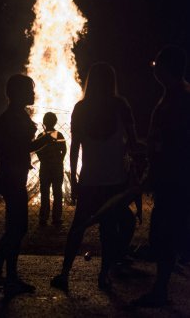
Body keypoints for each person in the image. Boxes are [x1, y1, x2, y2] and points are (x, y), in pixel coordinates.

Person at [51, 63, 139, 293]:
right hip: (115, 180)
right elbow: (133, 142)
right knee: (114, 227)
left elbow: (74, 147)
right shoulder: (121, 106)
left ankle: (64, 273)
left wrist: (73, 178)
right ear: (112, 82)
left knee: (78, 227)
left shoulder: (81, 108)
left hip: (90, 178)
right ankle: (104, 274)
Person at [0, 74, 52, 298]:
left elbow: (21, 146)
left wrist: (37, 143)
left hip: (14, 177)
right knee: (17, 228)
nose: (33, 93)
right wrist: (13, 155)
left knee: (14, 227)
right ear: (17, 93)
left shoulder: (15, 114)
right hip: (13, 179)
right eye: (29, 90)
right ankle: (9, 277)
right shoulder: (12, 116)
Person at [134, 45, 190, 307]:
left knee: (169, 234)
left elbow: (175, 142)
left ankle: (160, 291)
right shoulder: (171, 95)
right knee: (167, 234)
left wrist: (159, 167)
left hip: (175, 179)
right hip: (168, 178)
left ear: (168, 68)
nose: (154, 69)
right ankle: (160, 289)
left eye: (158, 65)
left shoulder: (181, 98)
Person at [36, 112, 67, 226]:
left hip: (45, 168)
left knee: (45, 193)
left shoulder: (41, 135)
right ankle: (56, 218)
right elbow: (64, 149)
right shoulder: (58, 135)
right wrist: (60, 159)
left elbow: (37, 150)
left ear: (44, 122)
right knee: (57, 192)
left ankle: (43, 218)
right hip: (56, 168)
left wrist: (43, 160)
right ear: (55, 122)